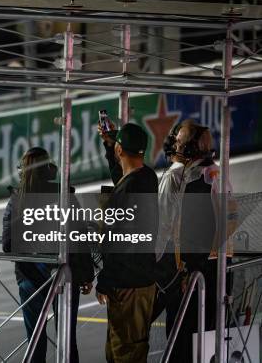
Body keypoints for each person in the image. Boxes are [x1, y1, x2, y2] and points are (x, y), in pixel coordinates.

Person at [2, 147, 94, 363]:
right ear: (50, 170)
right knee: (67, 340)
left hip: (29, 277)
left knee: (34, 340)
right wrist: (86, 275)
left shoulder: (17, 201)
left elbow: (8, 244)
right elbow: (80, 237)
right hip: (63, 275)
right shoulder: (64, 197)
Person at [153, 120, 233, 362]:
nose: (174, 144)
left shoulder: (186, 179)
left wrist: (159, 266)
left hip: (193, 272)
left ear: (188, 148)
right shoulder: (217, 173)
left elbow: (169, 227)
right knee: (210, 337)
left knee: (182, 341)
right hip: (221, 269)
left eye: (179, 141)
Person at [97, 121, 159, 363]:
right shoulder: (146, 177)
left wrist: (104, 281)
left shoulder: (129, 189)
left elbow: (117, 245)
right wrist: (111, 145)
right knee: (124, 348)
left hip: (127, 285)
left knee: (126, 352)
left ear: (120, 150)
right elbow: (122, 179)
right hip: (140, 280)